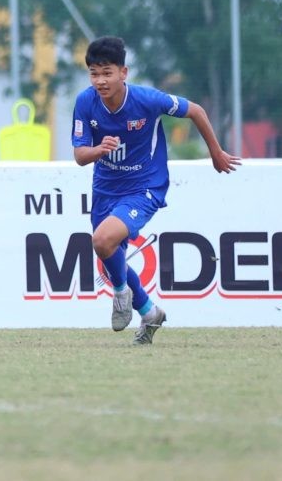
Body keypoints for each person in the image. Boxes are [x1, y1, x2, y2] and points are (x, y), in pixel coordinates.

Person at [71, 36, 240, 345]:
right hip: (104, 189)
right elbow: (81, 156)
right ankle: (150, 312)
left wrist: (215, 153)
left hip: (144, 186)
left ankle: (120, 294)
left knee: (102, 240)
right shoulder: (85, 102)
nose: (100, 81)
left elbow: (196, 111)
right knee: (108, 252)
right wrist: (99, 149)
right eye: (94, 74)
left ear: (123, 73)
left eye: (107, 73)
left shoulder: (147, 100)